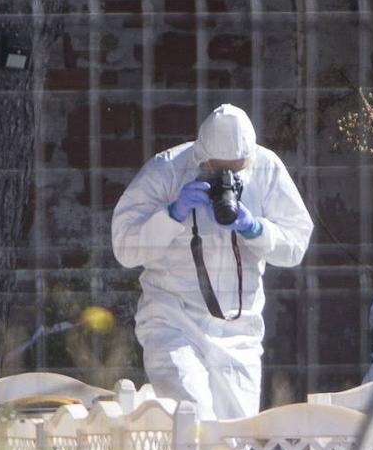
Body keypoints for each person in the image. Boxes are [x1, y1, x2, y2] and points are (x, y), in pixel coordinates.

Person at [112, 104, 313, 420]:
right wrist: (171, 215)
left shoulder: (267, 168)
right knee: (195, 420)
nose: (226, 178)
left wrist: (256, 229)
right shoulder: (167, 170)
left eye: (236, 169)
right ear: (200, 157)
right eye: (217, 169)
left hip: (239, 329)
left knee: (234, 441)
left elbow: (296, 244)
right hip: (172, 321)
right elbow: (124, 248)